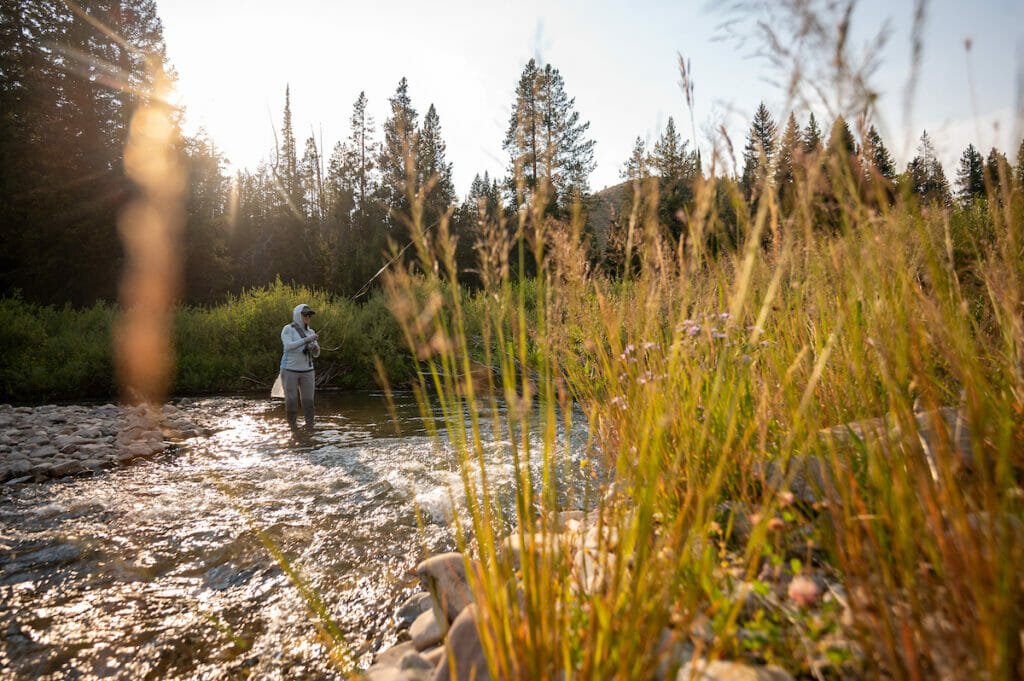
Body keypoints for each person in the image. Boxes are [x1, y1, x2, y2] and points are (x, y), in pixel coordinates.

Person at [280, 303, 320, 430]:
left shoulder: (311, 331)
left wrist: (315, 348)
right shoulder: (288, 329)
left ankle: (310, 428)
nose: (308, 317)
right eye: (305, 315)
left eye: (309, 315)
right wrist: (306, 340)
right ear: (298, 315)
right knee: (291, 402)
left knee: (309, 402)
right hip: (289, 370)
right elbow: (287, 346)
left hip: (307, 371)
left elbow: (316, 354)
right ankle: (292, 428)